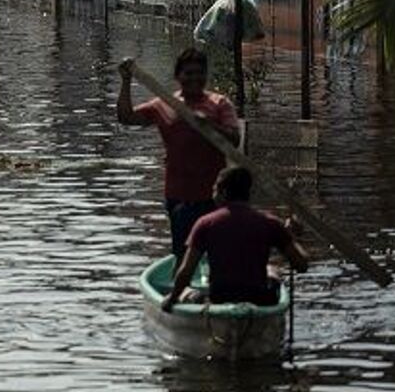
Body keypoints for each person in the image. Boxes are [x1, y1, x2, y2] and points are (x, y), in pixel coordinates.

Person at [118, 49, 243, 259]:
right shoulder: (164, 105)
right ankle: (183, 288)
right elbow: (126, 117)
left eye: (199, 73)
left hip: (215, 197)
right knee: (183, 253)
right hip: (179, 196)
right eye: (189, 73)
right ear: (178, 76)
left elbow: (234, 139)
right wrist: (126, 81)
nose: (195, 78)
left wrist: (209, 125)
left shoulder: (219, 104)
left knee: (218, 254)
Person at [161, 166, 310, 309]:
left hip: (219, 299)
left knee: (186, 291)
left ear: (223, 193)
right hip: (260, 300)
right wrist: (292, 237)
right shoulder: (271, 223)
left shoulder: (206, 223)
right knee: (271, 270)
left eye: (214, 190)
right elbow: (301, 265)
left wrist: (172, 299)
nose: (212, 196)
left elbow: (185, 272)